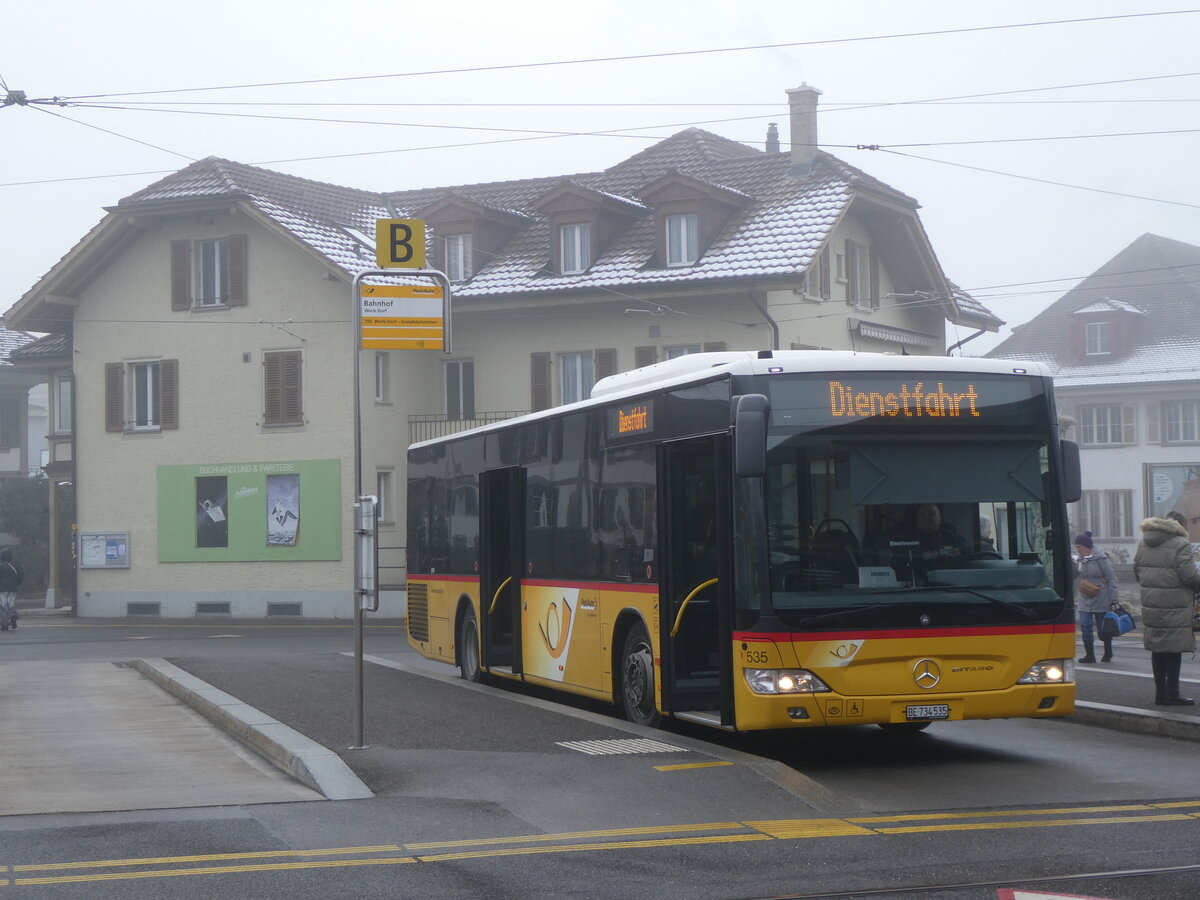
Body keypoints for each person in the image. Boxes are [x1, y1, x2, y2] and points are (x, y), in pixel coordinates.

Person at [1133, 511, 1200, 705]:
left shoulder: (1144, 542)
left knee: (1158, 650)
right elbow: (1189, 576)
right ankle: (1173, 693)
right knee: (1173, 650)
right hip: (1175, 605)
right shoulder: (1181, 544)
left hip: (1151, 604)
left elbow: (1137, 571)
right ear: (1181, 526)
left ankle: (1160, 694)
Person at [1074, 531, 1118, 663]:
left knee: (1102, 629)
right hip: (1084, 596)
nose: (1077, 549)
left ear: (1087, 547)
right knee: (1085, 626)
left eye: (1079, 546)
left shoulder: (1101, 558)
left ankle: (1108, 651)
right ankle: (1090, 655)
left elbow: (1111, 578)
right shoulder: (1078, 560)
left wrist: (1114, 597)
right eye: (1076, 547)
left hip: (1101, 597)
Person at [0, 547, 23, 631]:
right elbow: (21, 577)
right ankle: (13, 615)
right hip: (12, 589)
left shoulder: (0, 566)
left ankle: (4, 624)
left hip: (1, 589)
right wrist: (16, 584)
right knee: (10, 604)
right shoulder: (17, 565)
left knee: (2, 606)